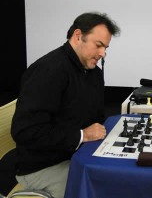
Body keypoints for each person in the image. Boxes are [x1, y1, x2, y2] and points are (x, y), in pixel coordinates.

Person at [11, 12, 120, 198]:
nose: (103, 53)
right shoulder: (48, 71)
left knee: (117, 179)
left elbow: (93, 118)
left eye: (105, 48)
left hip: (74, 155)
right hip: (42, 166)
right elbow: (25, 131)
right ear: (78, 36)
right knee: (102, 190)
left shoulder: (91, 71)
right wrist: (82, 135)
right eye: (99, 45)